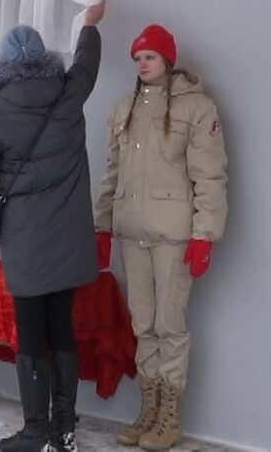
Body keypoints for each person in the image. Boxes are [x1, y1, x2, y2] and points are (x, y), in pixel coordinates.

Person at [0, 0, 107, 452]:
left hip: (26, 241)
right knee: (61, 326)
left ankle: (34, 432)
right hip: (68, 237)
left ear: (5, 63)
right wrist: (88, 24)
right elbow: (87, 64)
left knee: (31, 331)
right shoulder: (69, 93)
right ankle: (63, 430)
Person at [93, 24, 228, 451]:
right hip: (132, 234)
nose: (142, 63)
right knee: (143, 325)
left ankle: (170, 416)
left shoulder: (197, 108)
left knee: (171, 325)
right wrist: (101, 225)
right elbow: (110, 176)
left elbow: (210, 177)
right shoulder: (123, 110)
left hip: (173, 236)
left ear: (168, 59)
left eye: (149, 56)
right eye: (137, 58)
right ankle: (148, 410)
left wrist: (205, 234)